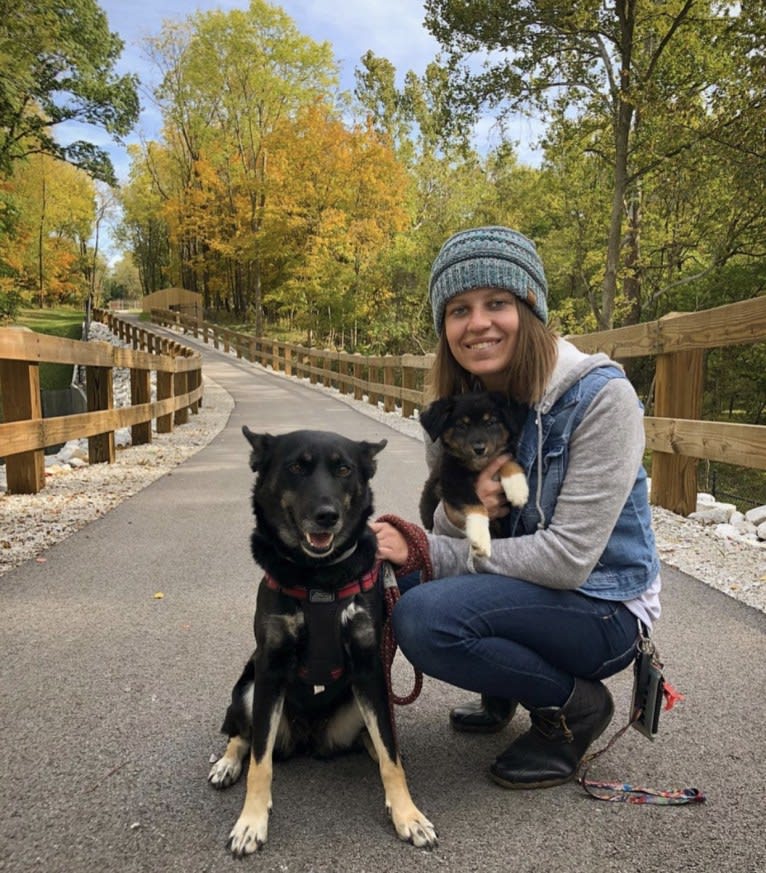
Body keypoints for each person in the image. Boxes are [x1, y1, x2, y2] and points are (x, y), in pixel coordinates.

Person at [371, 226, 660, 790]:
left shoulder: (600, 398)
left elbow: (568, 561)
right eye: (458, 309)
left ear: (529, 310)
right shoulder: (452, 407)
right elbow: (441, 520)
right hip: (529, 591)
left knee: (425, 615)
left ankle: (573, 709)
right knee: (404, 579)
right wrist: (453, 521)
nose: (477, 323)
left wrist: (432, 548)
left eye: (496, 303)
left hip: (602, 605)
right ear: (444, 327)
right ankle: (503, 687)